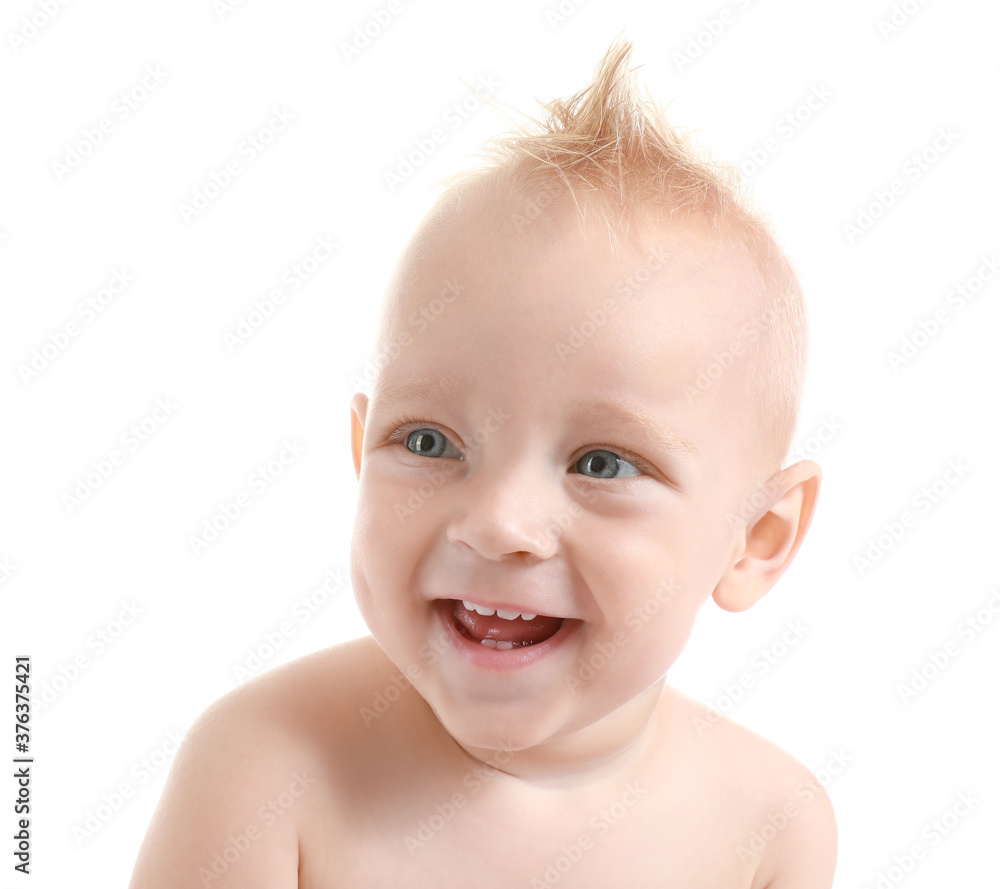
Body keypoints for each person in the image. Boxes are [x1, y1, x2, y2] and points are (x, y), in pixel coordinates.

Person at [129, 37, 836, 888]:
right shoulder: (266, 771)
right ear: (361, 455)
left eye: (603, 463)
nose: (497, 520)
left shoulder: (769, 826)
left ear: (755, 538)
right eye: (428, 441)